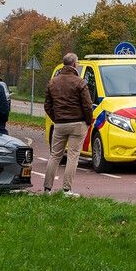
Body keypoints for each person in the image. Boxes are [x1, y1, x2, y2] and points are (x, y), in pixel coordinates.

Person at [43, 53, 93, 197]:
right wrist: (88, 121)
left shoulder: (53, 82)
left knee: (55, 156)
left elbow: (47, 105)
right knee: (73, 156)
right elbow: (87, 105)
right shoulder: (80, 82)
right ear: (74, 64)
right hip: (78, 123)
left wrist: (56, 118)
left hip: (59, 124)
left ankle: (47, 189)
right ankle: (67, 190)